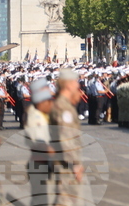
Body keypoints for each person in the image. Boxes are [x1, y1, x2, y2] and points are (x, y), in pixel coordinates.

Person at [50, 68, 85, 206]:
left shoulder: (63, 105)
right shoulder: (62, 107)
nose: (78, 85)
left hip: (65, 161)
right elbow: (66, 138)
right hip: (65, 163)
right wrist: (75, 163)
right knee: (65, 200)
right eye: (76, 82)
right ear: (69, 84)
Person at [25, 79, 55, 206]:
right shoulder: (35, 117)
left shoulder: (42, 114)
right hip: (38, 164)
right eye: (48, 102)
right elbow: (40, 143)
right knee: (40, 200)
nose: (51, 104)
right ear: (41, 102)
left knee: (41, 198)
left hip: (43, 162)